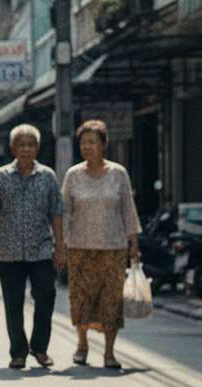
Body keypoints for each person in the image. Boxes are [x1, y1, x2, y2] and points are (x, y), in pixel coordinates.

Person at [0, 124, 66, 368]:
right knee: (13, 302)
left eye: (30, 145)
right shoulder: (1, 176)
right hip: (9, 251)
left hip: (40, 249)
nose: (26, 149)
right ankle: (18, 352)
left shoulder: (48, 176)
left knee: (46, 296)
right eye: (21, 145)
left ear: (38, 148)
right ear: (12, 148)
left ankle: (39, 347)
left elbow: (56, 213)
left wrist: (60, 246)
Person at [61, 119, 142, 369]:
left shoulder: (119, 173)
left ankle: (109, 352)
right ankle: (82, 345)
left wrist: (134, 245)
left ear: (104, 144)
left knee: (110, 300)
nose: (87, 147)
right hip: (79, 248)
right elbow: (64, 212)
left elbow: (128, 210)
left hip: (114, 248)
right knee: (81, 298)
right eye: (83, 142)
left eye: (92, 142)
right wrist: (60, 246)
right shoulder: (73, 175)